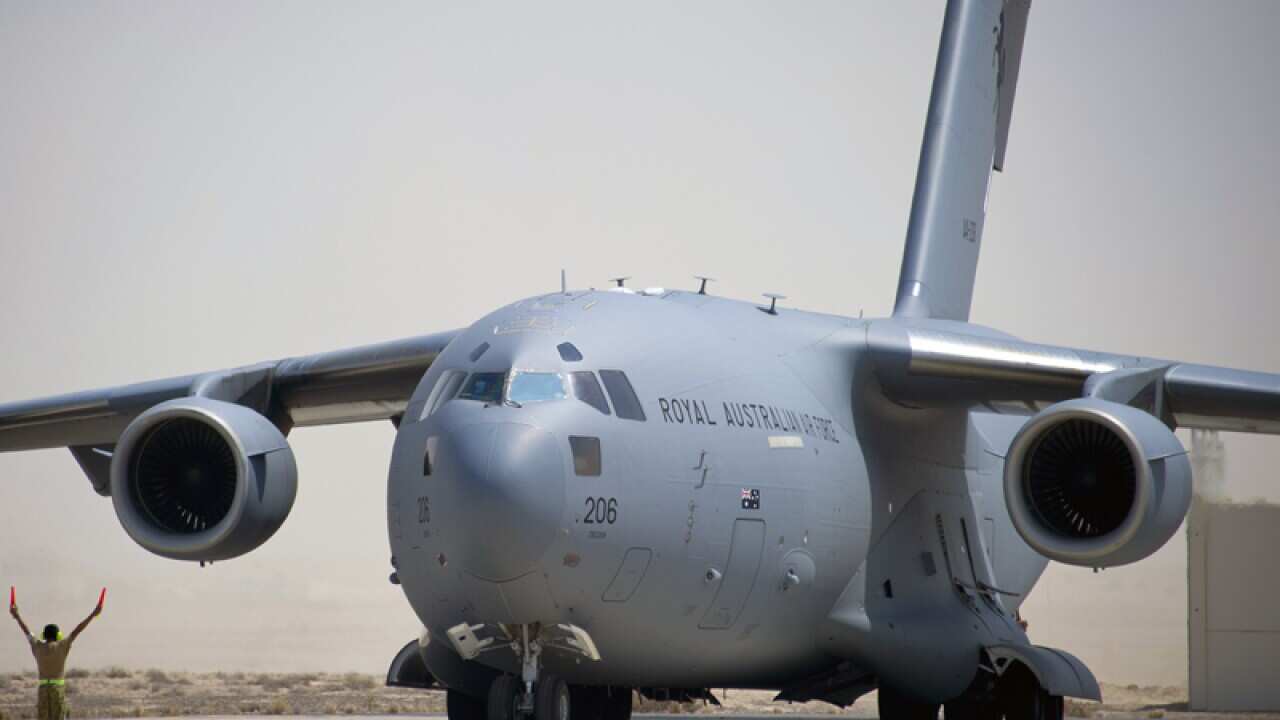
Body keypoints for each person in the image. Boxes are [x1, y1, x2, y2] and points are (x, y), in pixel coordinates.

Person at [10, 598, 101, 720]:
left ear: (44, 635)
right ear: (58, 635)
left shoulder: (38, 646)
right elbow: (78, 630)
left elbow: (26, 631)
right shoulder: (62, 646)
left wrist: (17, 616)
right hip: (57, 691)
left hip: (43, 691)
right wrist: (93, 614)